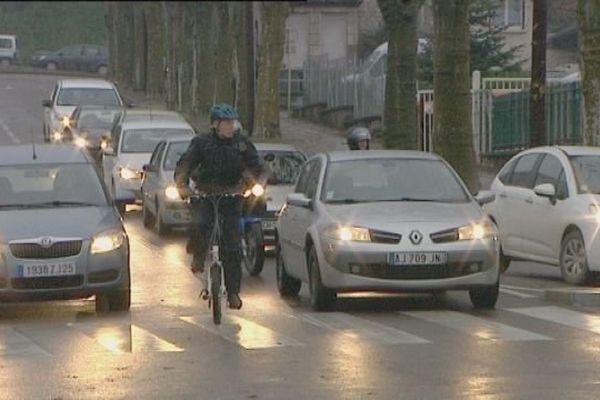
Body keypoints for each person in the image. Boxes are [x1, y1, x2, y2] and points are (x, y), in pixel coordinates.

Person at [174, 103, 266, 310]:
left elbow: (256, 166)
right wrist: (182, 185)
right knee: (200, 224)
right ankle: (198, 256)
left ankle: (233, 292)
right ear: (215, 125)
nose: (230, 127)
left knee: (233, 246)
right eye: (225, 123)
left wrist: (258, 182)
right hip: (205, 193)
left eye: (232, 123)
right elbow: (185, 164)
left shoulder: (241, 144)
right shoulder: (201, 143)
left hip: (231, 195)